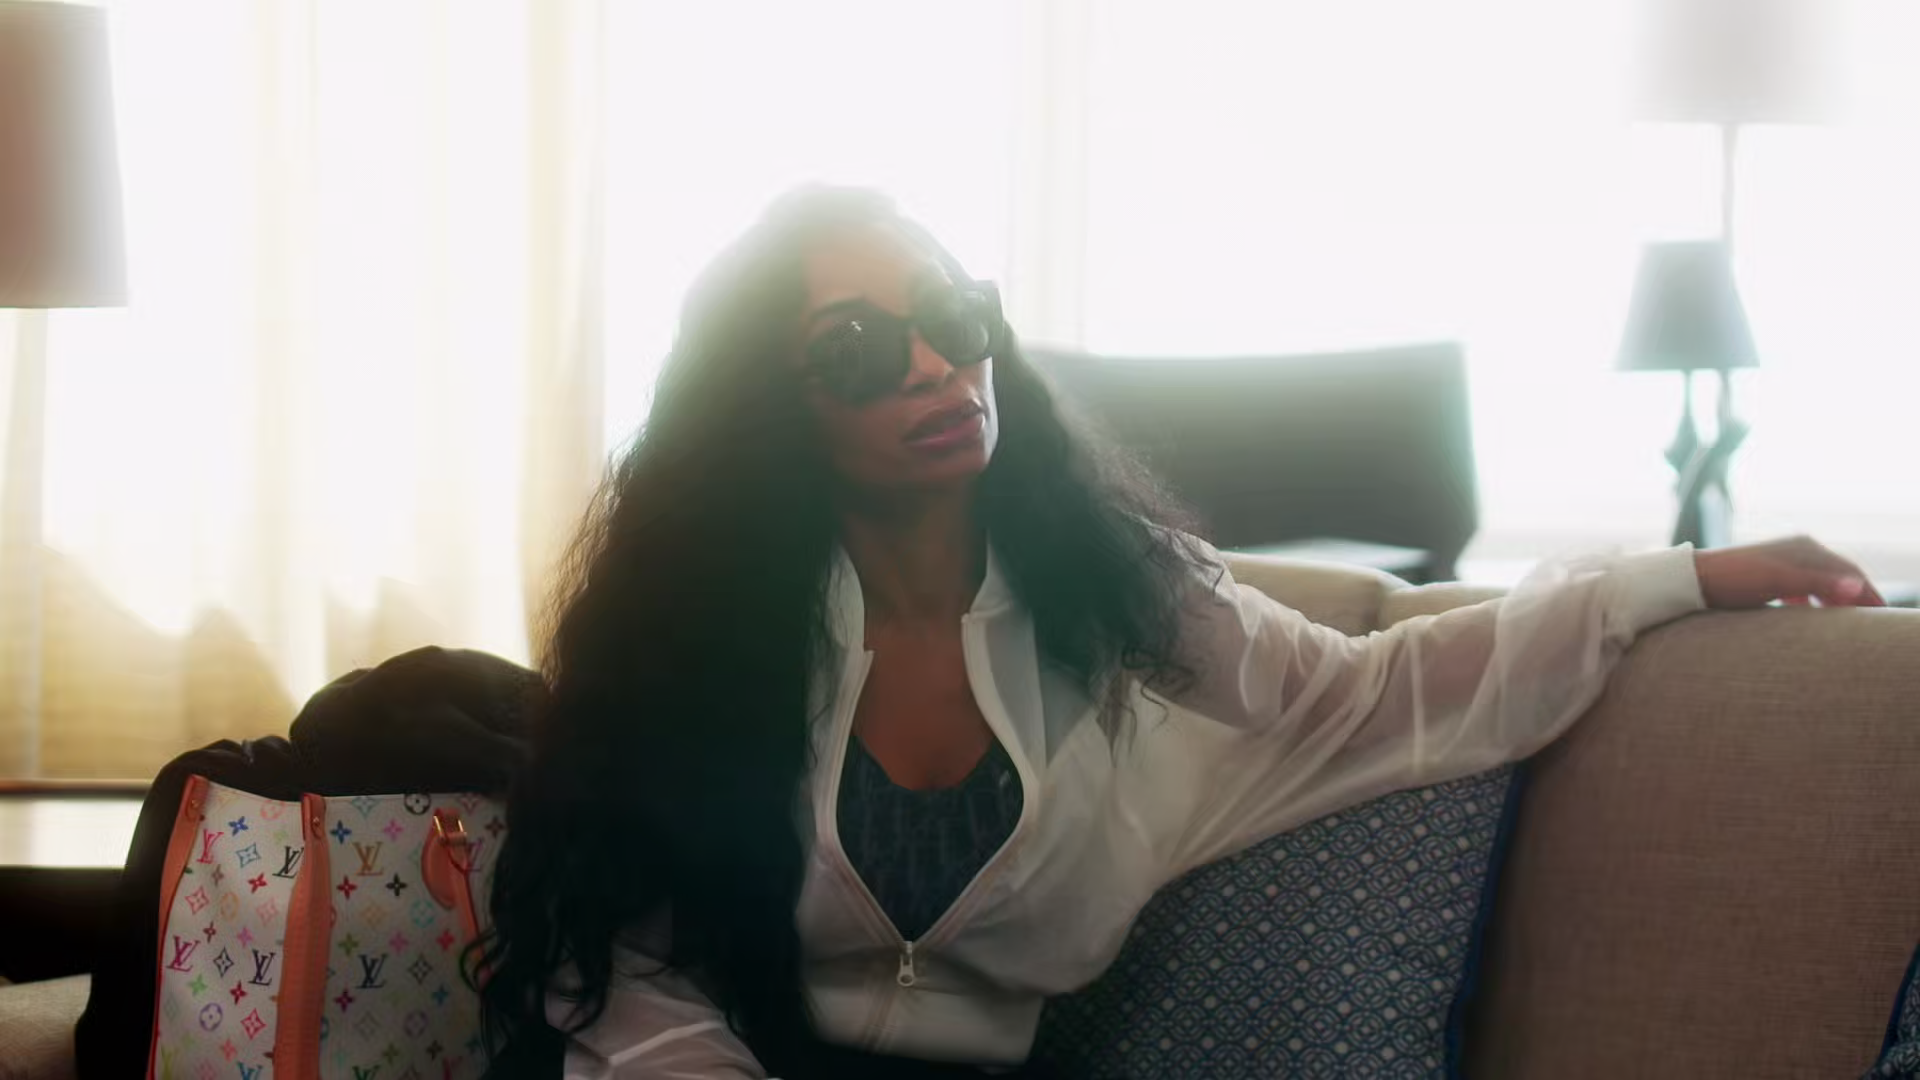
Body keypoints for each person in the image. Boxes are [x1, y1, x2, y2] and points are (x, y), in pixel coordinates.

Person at [475, 186, 1883, 1079]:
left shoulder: (1120, 595)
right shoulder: (703, 640)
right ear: (770, 408)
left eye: (953, 314)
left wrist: (1672, 581)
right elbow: (622, 968)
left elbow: (1378, 693)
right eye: (856, 348)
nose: (935, 364)